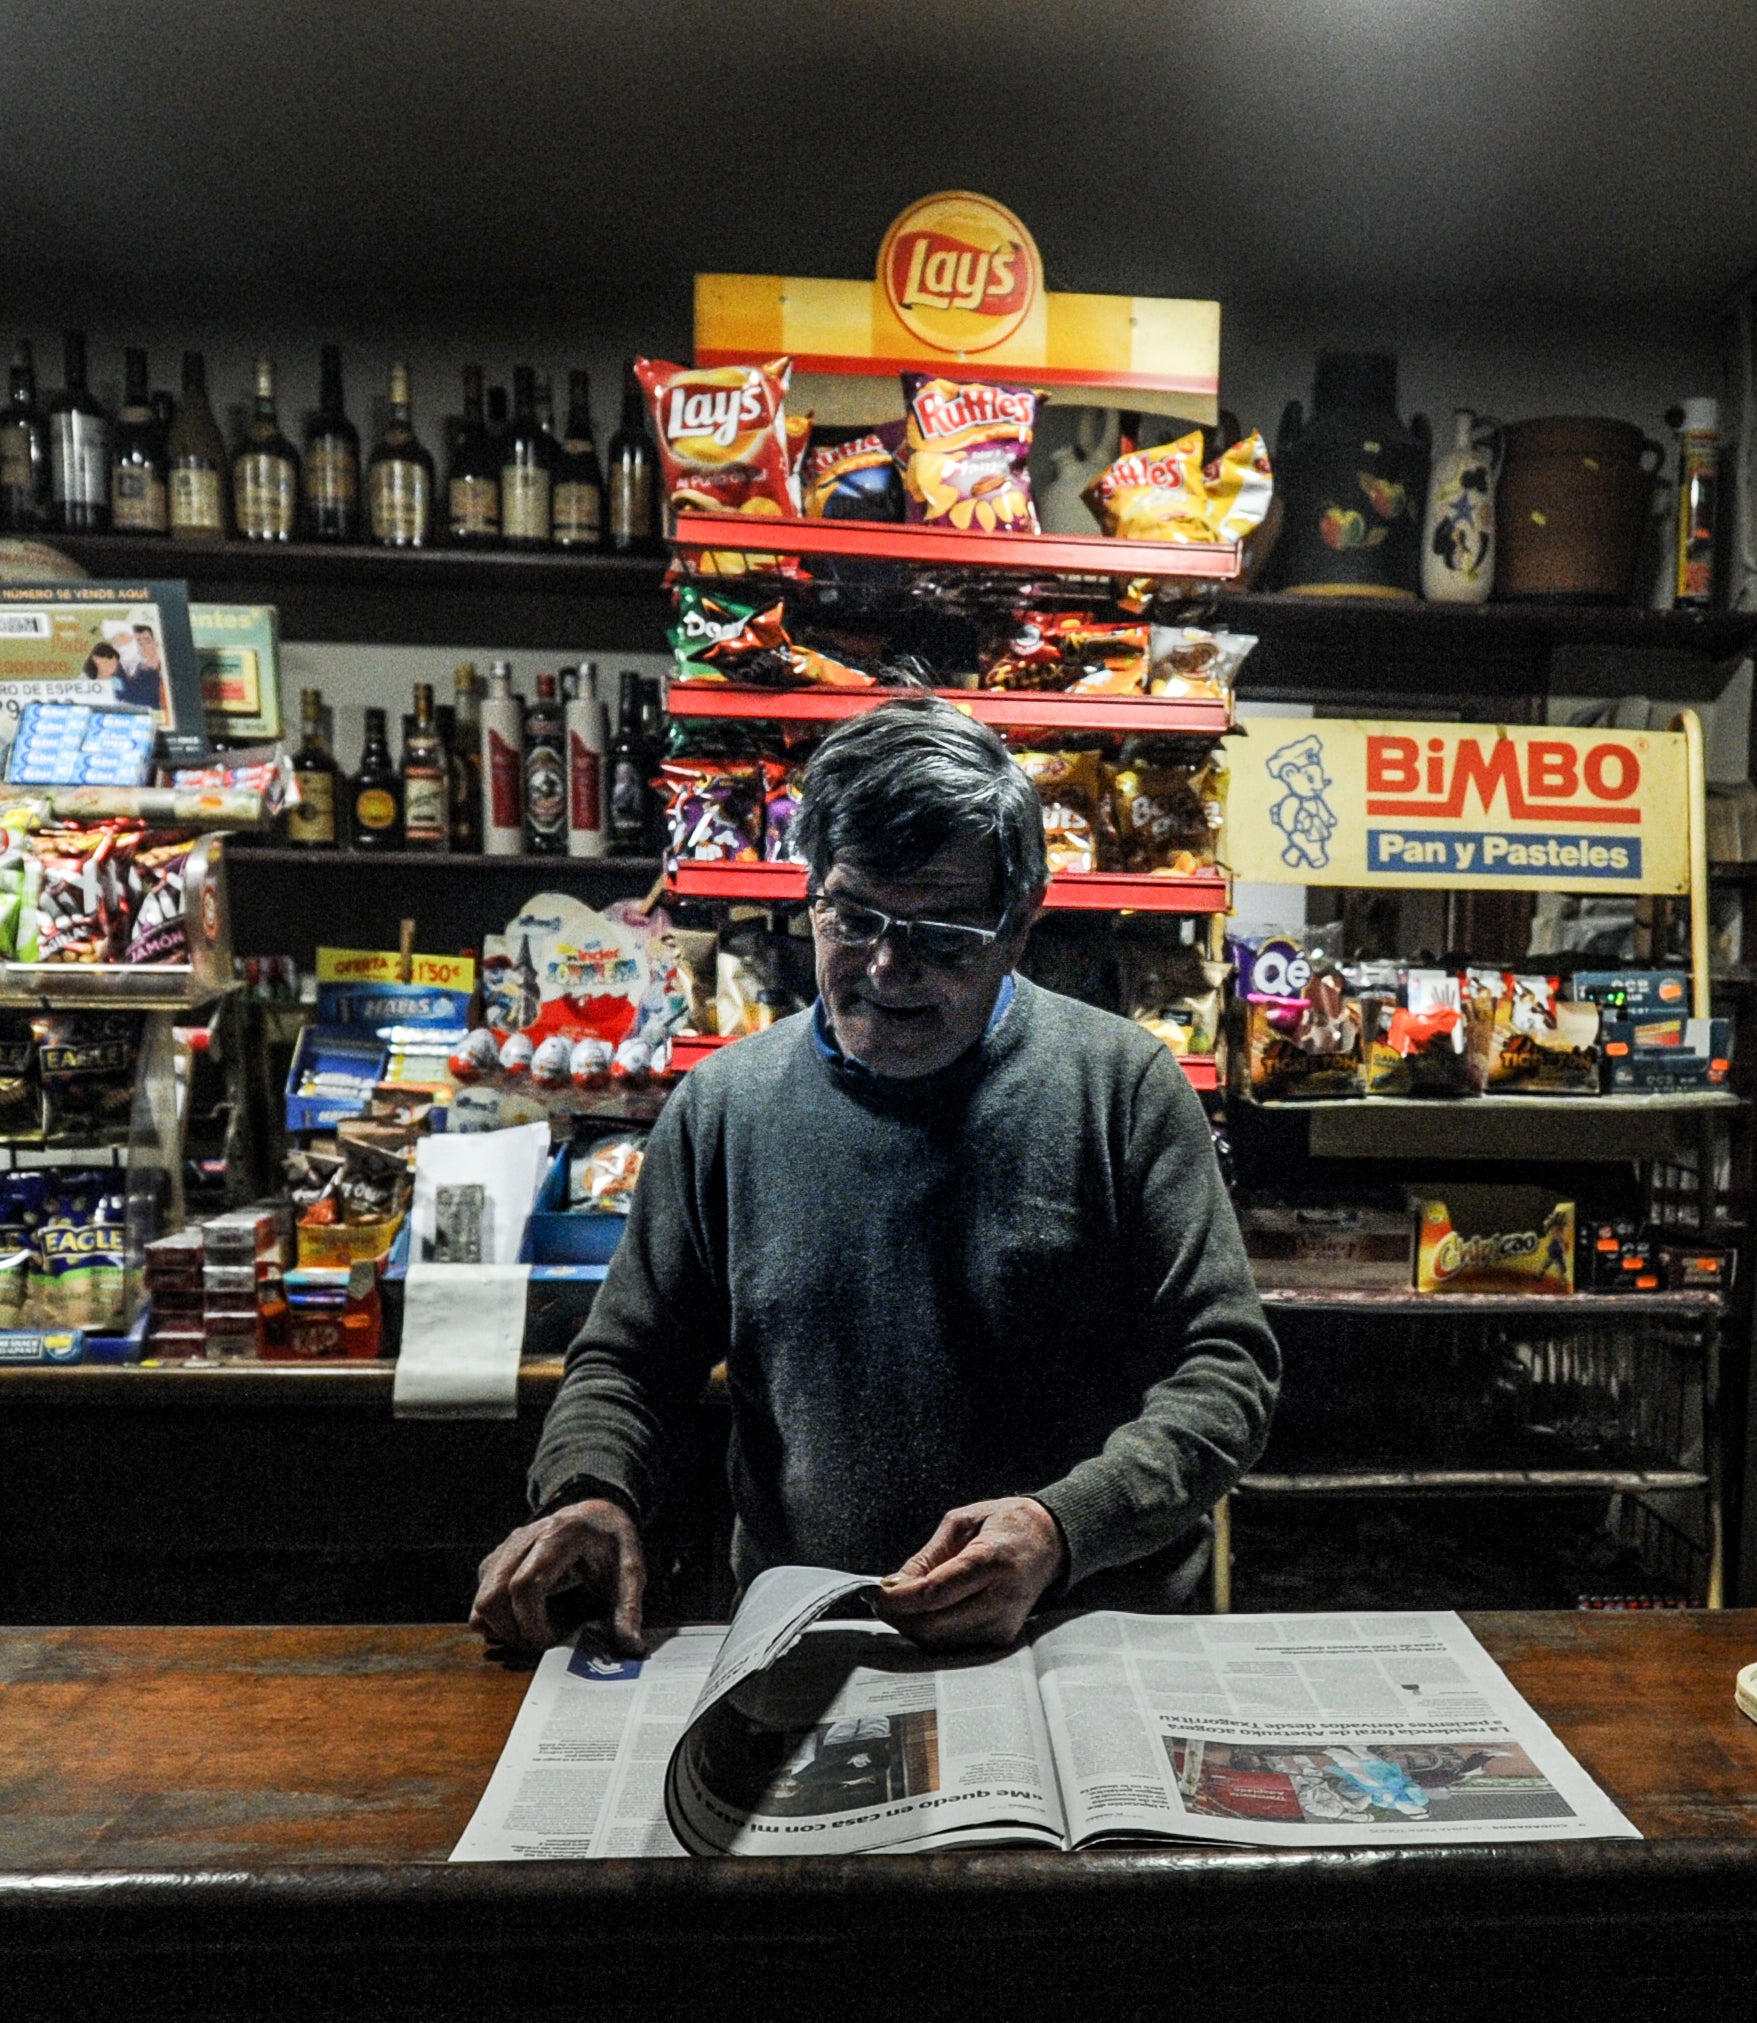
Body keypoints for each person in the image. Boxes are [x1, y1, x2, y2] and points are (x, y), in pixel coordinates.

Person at [472, 697, 1278, 1654]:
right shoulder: (725, 1107)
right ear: (812, 891)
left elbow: (1226, 1369)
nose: (887, 967)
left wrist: (1063, 1529)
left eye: (943, 935)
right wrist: (591, 1489)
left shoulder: (1122, 1090)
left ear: (1018, 926)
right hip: (813, 1637)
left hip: (1082, 1634)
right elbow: (631, 1362)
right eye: (853, 918)